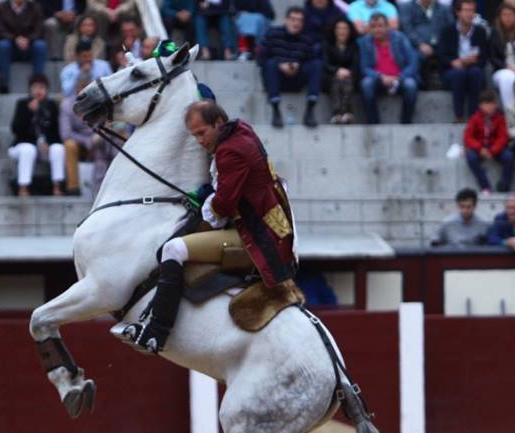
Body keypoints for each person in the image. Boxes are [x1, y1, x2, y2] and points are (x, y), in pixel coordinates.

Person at [120, 101, 297, 354]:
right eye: (194, 135)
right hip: (267, 232)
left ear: (218, 123)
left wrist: (203, 210)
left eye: (202, 133)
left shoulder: (229, 152)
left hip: (255, 240)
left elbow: (222, 207)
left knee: (173, 249)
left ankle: (156, 332)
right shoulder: (241, 132)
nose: (199, 141)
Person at [257, 6, 323, 128]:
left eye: (300, 20)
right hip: (276, 79)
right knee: (270, 64)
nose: (296, 23)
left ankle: (310, 110)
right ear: (286, 20)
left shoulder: (307, 38)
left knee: (317, 64)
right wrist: (280, 65)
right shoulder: (273, 33)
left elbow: (312, 59)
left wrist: (297, 65)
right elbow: (261, 59)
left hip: (297, 78)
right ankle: (276, 111)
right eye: (293, 19)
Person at [59, 75, 120, 195]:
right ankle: (73, 188)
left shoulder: (99, 102)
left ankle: (116, 185)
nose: (84, 90)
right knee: (69, 144)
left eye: (87, 87)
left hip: (100, 138)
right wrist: (89, 141)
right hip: (79, 143)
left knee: (118, 141)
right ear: (76, 88)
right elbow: (65, 134)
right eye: (82, 86)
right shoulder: (66, 105)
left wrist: (104, 131)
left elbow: (108, 122)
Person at [8, 74, 65, 196]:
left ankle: (57, 186)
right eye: (35, 87)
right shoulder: (22, 104)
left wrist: (48, 144)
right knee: (28, 150)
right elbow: (16, 130)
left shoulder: (51, 106)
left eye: (42, 87)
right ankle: (23, 188)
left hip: (44, 148)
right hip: (23, 145)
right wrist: (29, 113)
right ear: (30, 89)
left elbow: (56, 132)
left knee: (58, 149)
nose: (38, 91)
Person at [358, 13, 419, 125]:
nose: (377, 30)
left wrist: (400, 77)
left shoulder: (400, 38)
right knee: (366, 84)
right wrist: (380, 76)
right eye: (373, 26)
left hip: (400, 79)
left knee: (411, 85)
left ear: (387, 27)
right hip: (378, 80)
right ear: (370, 29)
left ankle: (406, 122)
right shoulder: (365, 42)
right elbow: (364, 67)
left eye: (380, 26)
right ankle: (374, 123)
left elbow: (413, 62)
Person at [437, 0, 487, 122]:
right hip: (452, 70)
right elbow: (441, 55)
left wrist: (473, 61)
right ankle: (459, 116)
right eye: (466, 10)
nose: (469, 14)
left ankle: (473, 117)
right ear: (458, 12)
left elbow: (484, 58)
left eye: (472, 11)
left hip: (472, 68)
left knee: (475, 73)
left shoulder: (480, 32)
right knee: (459, 74)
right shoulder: (447, 31)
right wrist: (453, 62)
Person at [463, 89, 515, 193]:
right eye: (486, 104)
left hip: (495, 148)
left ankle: (504, 186)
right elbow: (468, 137)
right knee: (471, 157)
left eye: (492, 104)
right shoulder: (475, 118)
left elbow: (503, 137)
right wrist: (479, 148)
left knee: (509, 157)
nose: (489, 107)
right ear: (480, 105)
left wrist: (493, 150)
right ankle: (485, 186)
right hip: (480, 148)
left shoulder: (500, 118)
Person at [0, 0, 47, 93]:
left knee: (40, 46)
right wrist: (15, 39)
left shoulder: (35, 7)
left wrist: (28, 39)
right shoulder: (0, 8)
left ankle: (37, 83)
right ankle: (3, 84)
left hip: (30, 45)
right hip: (11, 46)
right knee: (3, 45)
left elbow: (39, 29)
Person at [399, 0, 454, 85]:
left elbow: (451, 28)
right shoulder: (406, 7)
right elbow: (407, 29)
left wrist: (442, 44)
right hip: (417, 45)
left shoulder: (444, 8)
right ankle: (423, 84)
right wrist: (420, 44)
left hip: (440, 45)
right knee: (417, 56)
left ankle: (445, 82)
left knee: (447, 54)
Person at [324, 17, 357, 124]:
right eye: (339, 28)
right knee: (337, 80)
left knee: (346, 79)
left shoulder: (354, 46)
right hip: (330, 76)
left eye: (345, 28)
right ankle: (338, 113)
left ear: (350, 31)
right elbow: (325, 63)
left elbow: (356, 64)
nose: (342, 31)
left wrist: (347, 72)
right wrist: (337, 70)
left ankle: (346, 112)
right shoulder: (327, 45)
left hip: (350, 76)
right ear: (334, 30)